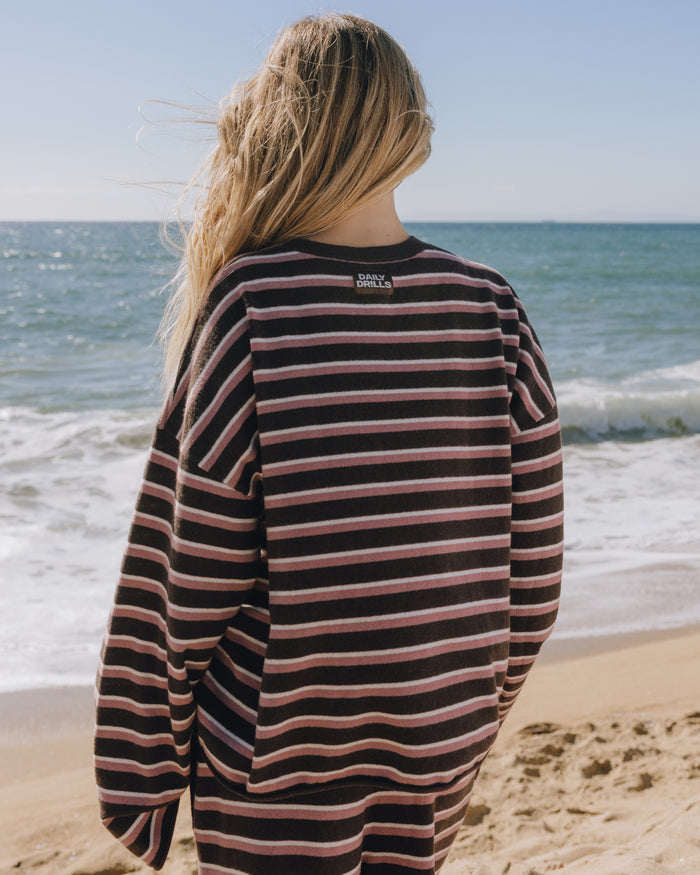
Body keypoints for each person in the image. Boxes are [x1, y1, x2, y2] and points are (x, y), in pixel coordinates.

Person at [94, 12, 563, 874]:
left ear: (282, 123)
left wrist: (143, 762)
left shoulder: (252, 303)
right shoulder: (492, 308)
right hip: (436, 738)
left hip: (275, 759)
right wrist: (470, 710)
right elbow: (533, 576)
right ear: (409, 128)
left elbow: (185, 581)